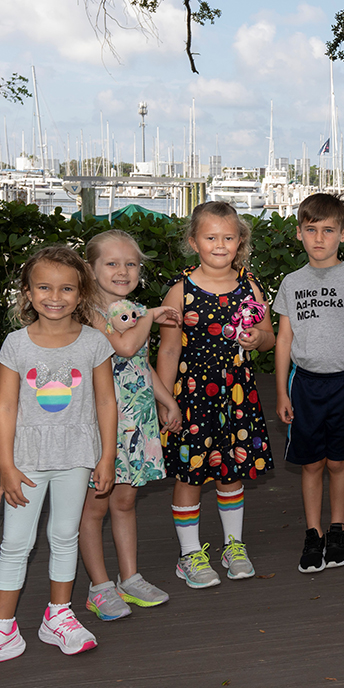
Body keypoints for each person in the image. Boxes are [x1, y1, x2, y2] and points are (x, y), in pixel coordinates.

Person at [0, 246, 117, 660]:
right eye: (44, 287)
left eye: (67, 288)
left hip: (77, 453)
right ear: (28, 293)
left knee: (64, 536)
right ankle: (5, 628)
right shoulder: (15, 345)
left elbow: (106, 402)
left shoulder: (93, 343)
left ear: (81, 294)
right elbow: (7, 406)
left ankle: (58, 615)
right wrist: (5, 465)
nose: (55, 296)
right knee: (15, 542)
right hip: (26, 459)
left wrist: (106, 458)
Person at [157, 201, 275, 588]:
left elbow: (269, 337)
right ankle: (189, 553)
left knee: (232, 470)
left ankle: (233, 545)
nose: (220, 244)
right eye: (211, 237)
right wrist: (165, 400)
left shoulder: (250, 285)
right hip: (191, 397)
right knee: (190, 473)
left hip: (236, 396)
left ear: (240, 241)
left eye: (228, 237)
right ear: (194, 241)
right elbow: (170, 349)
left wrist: (258, 339)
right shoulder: (180, 290)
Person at [79, 231, 184, 620]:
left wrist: (167, 401)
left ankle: (130, 577)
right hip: (103, 423)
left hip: (136, 421)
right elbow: (121, 346)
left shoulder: (136, 310)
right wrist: (153, 315)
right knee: (95, 505)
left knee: (125, 501)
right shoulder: (86, 312)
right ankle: (99, 586)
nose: (123, 270)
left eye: (131, 263)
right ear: (90, 270)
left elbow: (138, 363)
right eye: (111, 263)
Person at [274, 193, 344, 572]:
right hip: (305, 387)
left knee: (339, 462)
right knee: (311, 464)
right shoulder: (291, 282)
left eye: (328, 230)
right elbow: (283, 339)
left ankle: (337, 528)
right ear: (299, 233)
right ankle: (313, 533)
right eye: (311, 230)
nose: (319, 238)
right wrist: (282, 391)